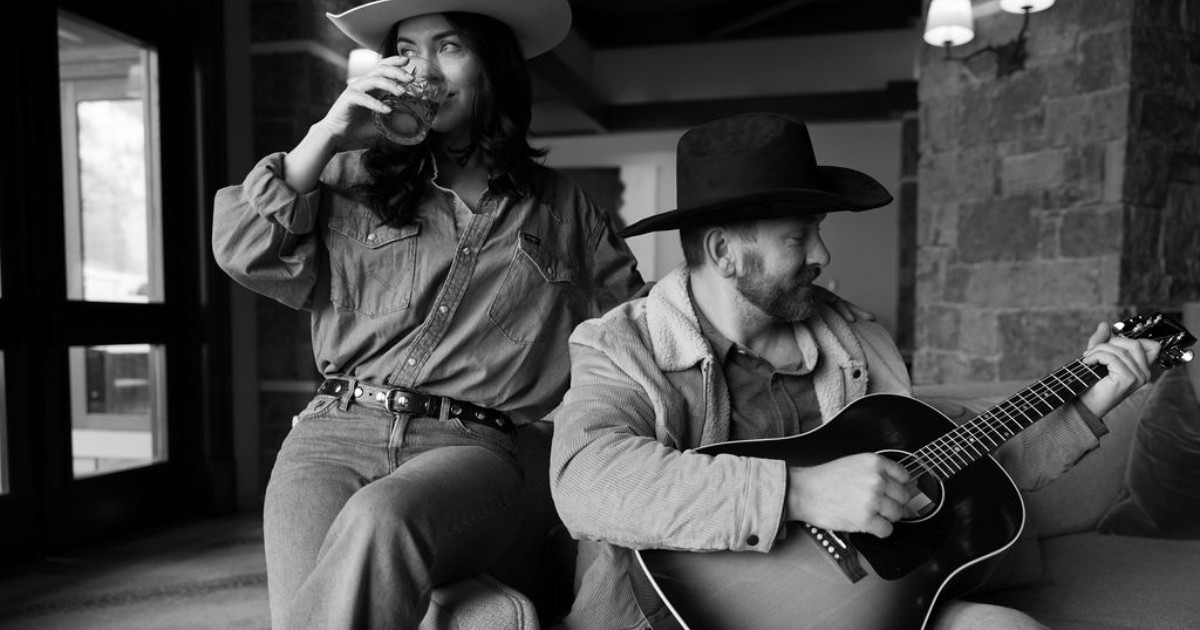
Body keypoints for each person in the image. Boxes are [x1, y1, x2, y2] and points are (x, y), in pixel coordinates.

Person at [548, 112, 1161, 630]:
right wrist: (803, 490)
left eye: (818, 232)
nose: (823, 255)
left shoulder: (856, 340)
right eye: (798, 238)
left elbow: (957, 466)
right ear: (723, 253)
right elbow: (587, 479)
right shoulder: (620, 345)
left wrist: (1088, 403)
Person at [211, 0, 644, 627]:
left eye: (449, 47)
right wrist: (326, 134)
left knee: (381, 519)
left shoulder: (566, 210)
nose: (425, 72)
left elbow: (633, 330)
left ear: (493, 65)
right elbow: (244, 252)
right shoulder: (347, 173)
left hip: (470, 448)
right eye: (407, 52)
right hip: (330, 435)